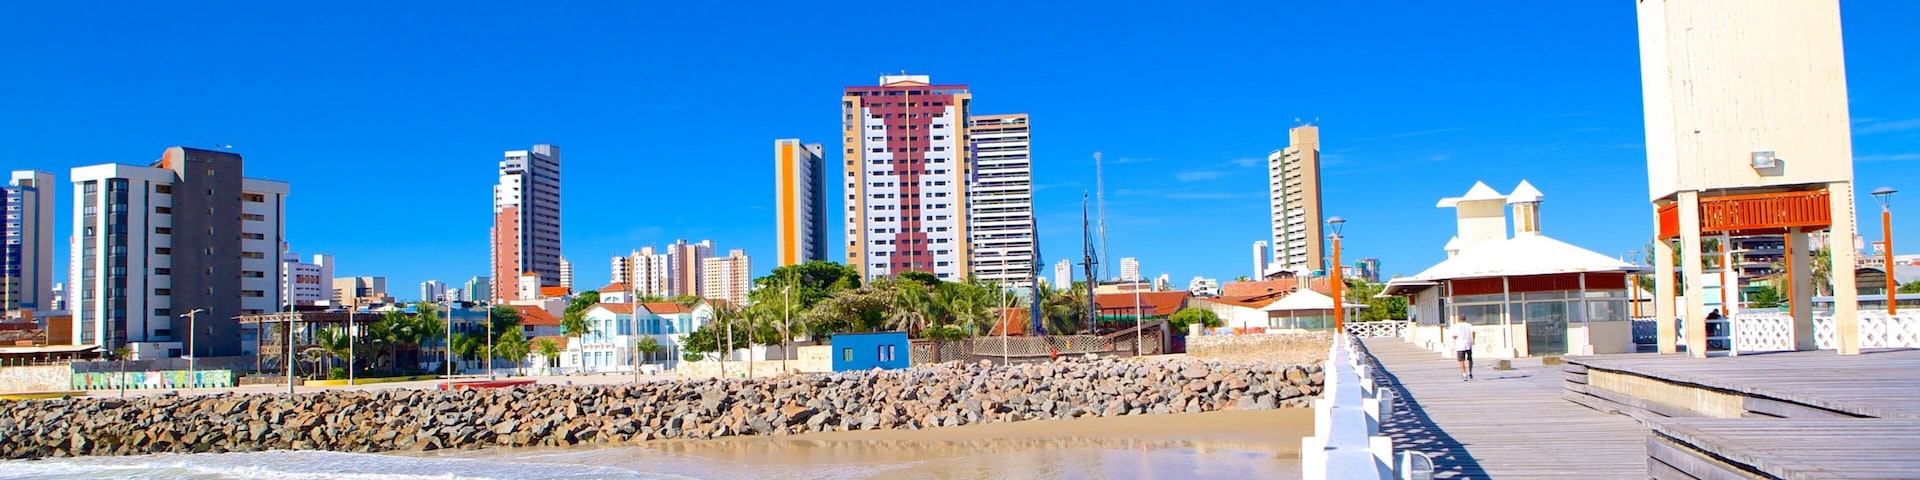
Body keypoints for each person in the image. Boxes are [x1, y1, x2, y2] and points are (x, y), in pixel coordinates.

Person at [1450, 315, 1475, 381]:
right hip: (1468, 344)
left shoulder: (1456, 326)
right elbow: (1473, 332)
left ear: (1458, 319)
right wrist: (1473, 340)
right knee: (1470, 359)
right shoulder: (1469, 325)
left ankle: (1464, 374)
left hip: (1460, 345)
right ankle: (1470, 373)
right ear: (1465, 319)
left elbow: (1454, 336)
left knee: (1461, 360)